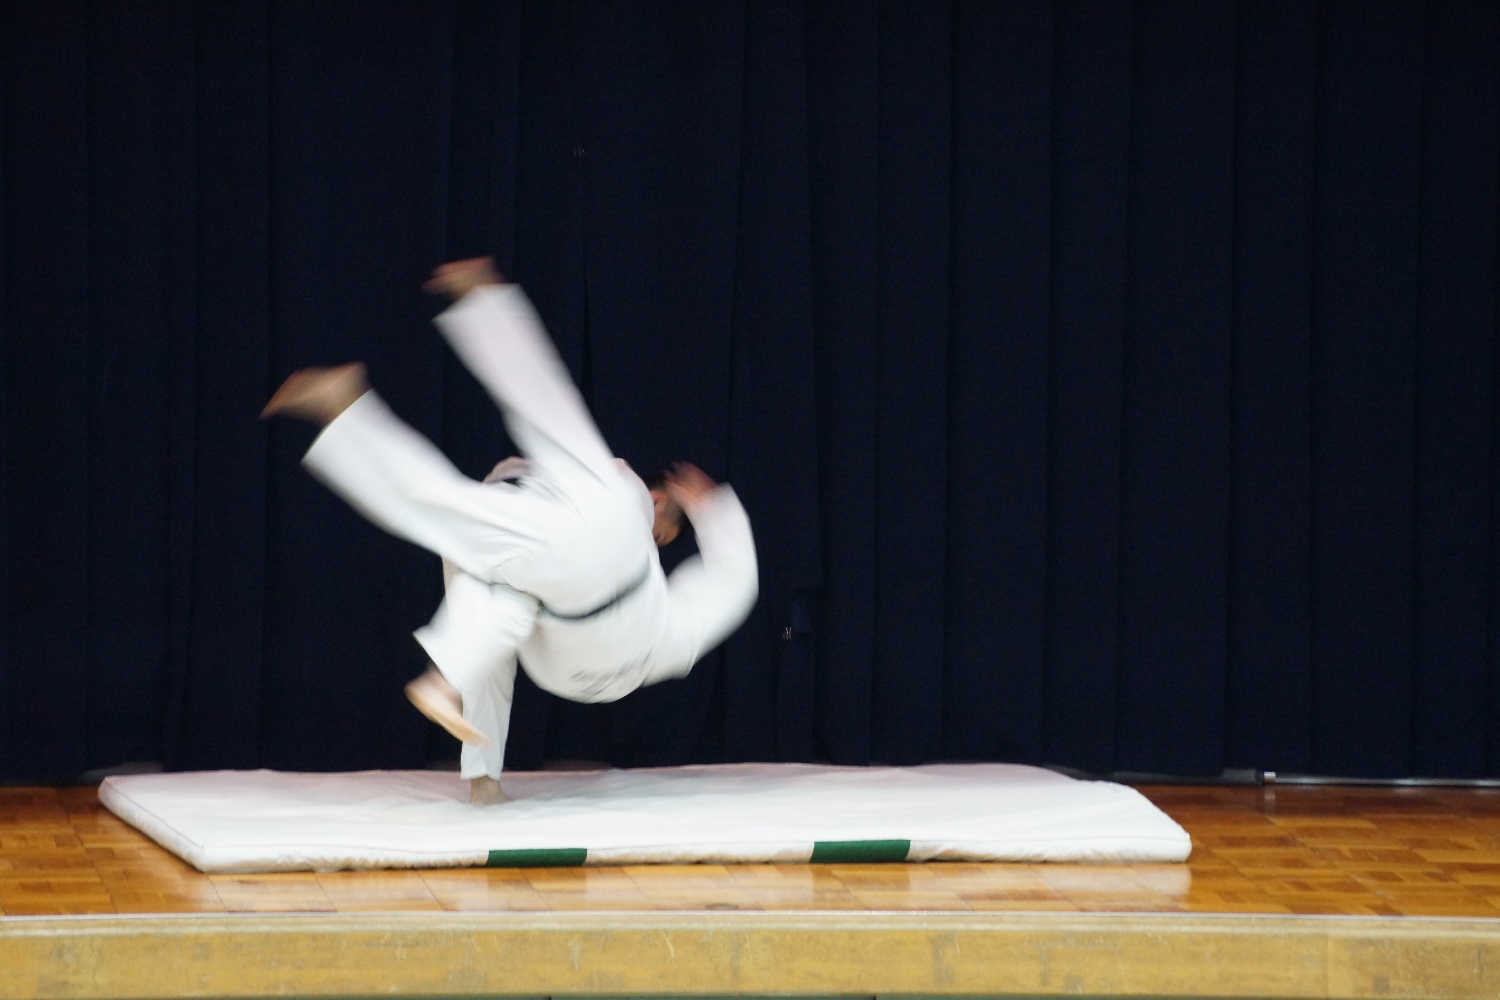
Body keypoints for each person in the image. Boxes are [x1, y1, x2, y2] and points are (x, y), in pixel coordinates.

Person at [261, 258, 758, 804]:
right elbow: (732, 583)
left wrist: (701, 509)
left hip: (570, 563)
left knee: (471, 506)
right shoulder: (655, 597)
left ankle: (463, 715)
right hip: (592, 617)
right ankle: (460, 714)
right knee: (494, 556)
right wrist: (714, 513)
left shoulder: (623, 501)